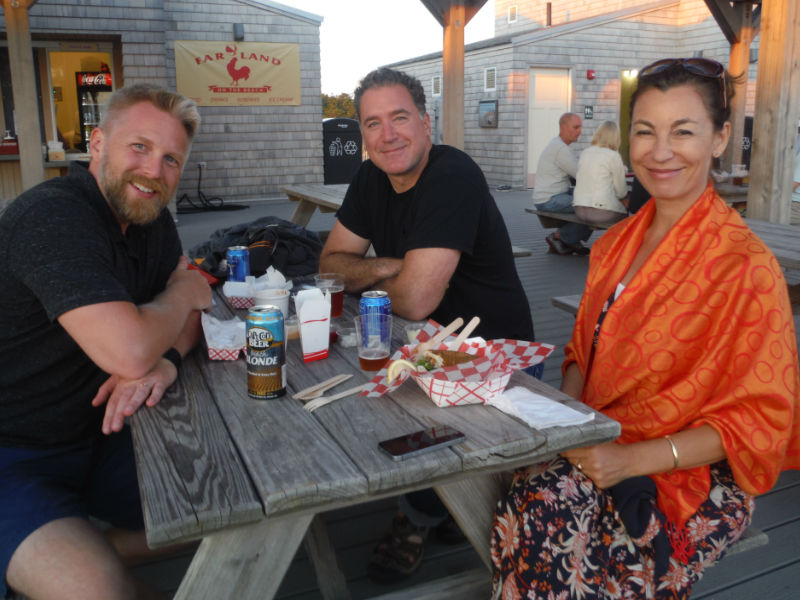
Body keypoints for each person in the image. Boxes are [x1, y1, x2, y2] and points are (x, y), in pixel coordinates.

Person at [491, 58, 800, 599]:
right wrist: (571, 423)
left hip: (692, 471)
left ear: (720, 137)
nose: (661, 151)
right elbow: (581, 358)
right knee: (531, 490)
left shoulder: (745, 266)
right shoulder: (614, 244)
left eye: (683, 132)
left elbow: (760, 423)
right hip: (597, 439)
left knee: (559, 522)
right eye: (645, 131)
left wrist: (628, 458)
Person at [319, 67, 536, 583]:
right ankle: (440, 508)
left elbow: (415, 299)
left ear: (425, 121)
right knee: (354, 396)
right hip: (423, 347)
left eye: (399, 118)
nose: (387, 134)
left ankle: (418, 515)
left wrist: (380, 278)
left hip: (494, 360)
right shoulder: (372, 177)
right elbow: (329, 264)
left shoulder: (451, 174)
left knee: (393, 419)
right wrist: (386, 267)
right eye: (373, 123)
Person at [0, 84, 212, 599]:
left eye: (171, 160)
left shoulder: (151, 221)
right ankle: (78, 556)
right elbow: (128, 350)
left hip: (106, 435)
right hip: (13, 452)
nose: (154, 171)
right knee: (98, 590)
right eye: (138, 147)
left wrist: (165, 358)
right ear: (96, 144)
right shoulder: (53, 216)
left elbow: (191, 320)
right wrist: (181, 291)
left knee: (230, 504)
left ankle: (88, 546)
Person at [532, 112, 591, 255]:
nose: (580, 131)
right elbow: (581, 175)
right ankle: (561, 237)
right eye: (576, 127)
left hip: (555, 194)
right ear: (563, 127)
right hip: (549, 199)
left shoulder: (558, 145)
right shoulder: (560, 149)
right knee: (593, 207)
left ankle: (569, 239)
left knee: (593, 201)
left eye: (580, 127)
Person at [572, 120, 629, 226]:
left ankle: (568, 238)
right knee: (628, 214)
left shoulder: (585, 152)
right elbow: (621, 192)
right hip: (601, 212)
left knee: (590, 220)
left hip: (579, 209)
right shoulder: (613, 156)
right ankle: (617, 242)